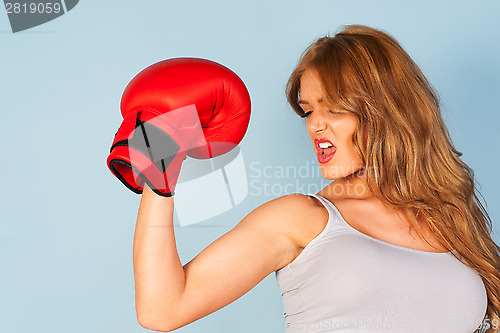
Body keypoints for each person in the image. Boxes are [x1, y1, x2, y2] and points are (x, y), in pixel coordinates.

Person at [132, 25, 500, 332]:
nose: (315, 125)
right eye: (308, 110)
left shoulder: (449, 216)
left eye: (334, 108)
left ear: (388, 110)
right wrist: (159, 167)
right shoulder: (302, 218)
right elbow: (162, 309)